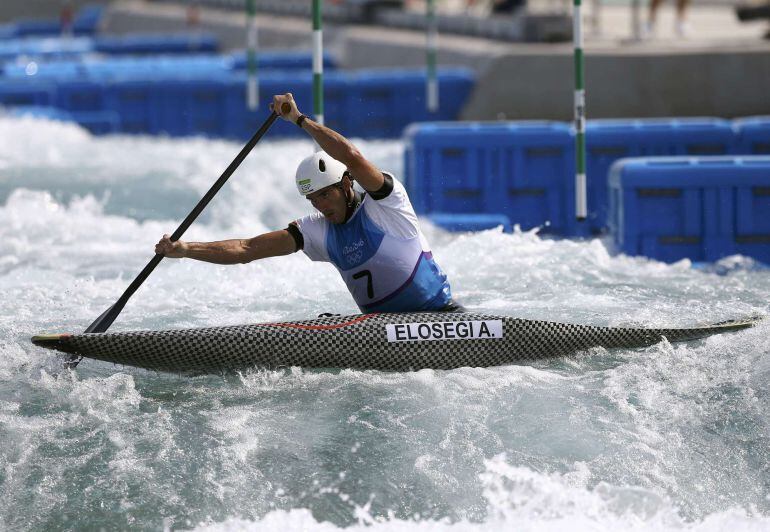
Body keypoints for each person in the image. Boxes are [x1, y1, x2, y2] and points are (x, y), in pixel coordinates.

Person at [155, 92, 461, 314]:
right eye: (312, 199)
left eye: (325, 195)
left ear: (345, 184)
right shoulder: (317, 231)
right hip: (379, 331)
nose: (319, 206)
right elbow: (247, 249)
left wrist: (299, 119)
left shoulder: (387, 205)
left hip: (441, 318)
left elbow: (351, 157)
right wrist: (184, 250)